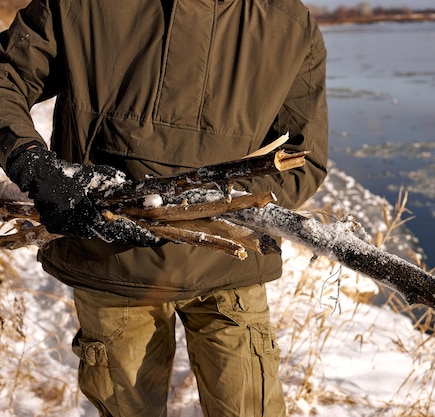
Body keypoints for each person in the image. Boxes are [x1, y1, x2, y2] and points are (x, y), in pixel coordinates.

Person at [0, 0, 328, 416]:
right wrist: (37, 168)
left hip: (231, 265)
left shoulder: (289, 23)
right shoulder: (80, 5)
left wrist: (206, 205)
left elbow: (304, 159)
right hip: (113, 264)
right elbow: (5, 77)